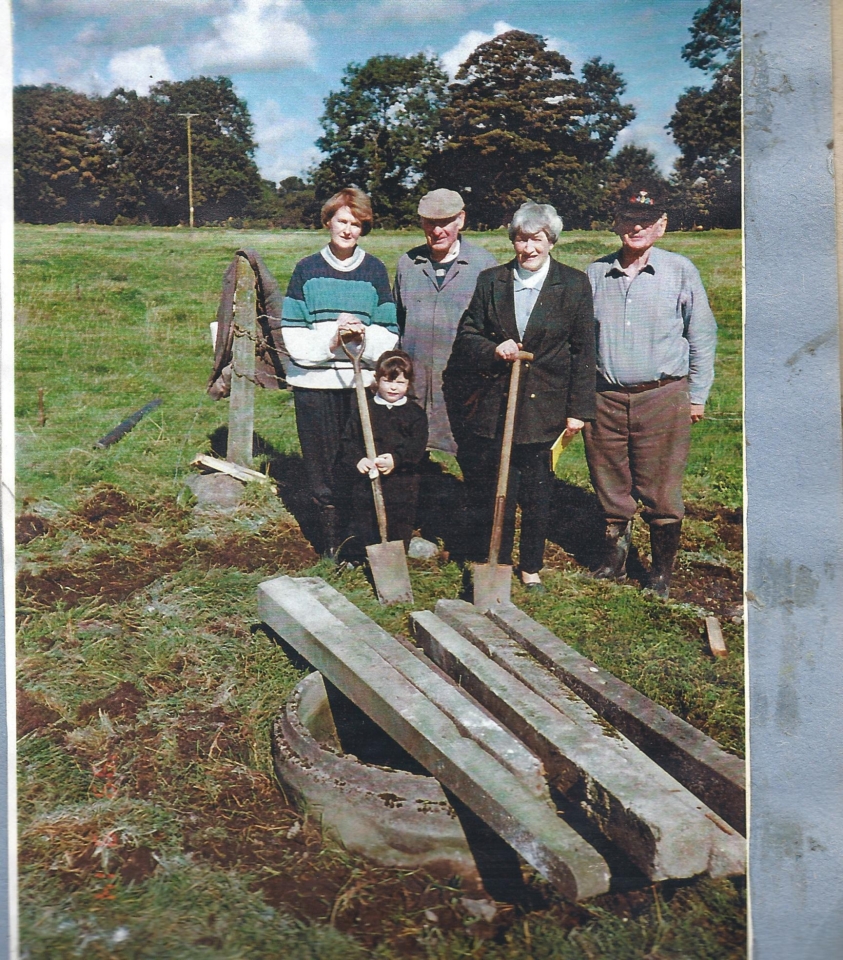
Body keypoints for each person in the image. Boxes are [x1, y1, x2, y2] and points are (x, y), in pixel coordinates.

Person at [446, 201, 596, 592]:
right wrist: (494, 349)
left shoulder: (574, 284)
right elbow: (468, 335)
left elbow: (584, 351)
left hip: (546, 407)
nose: (528, 248)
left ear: (551, 241)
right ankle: (494, 557)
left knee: (537, 491)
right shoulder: (491, 281)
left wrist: (578, 410)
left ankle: (531, 567)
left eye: (537, 239)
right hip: (499, 405)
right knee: (497, 486)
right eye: (521, 239)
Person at [583, 185, 717, 598]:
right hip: (604, 398)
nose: (636, 226)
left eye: (646, 220)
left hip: (663, 396)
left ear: (662, 225)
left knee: (660, 487)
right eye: (627, 218)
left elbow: (703, 336)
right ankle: (614, 560)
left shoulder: (680, 271)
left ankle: (660, 573)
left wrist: (697, 395)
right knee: (609, 482)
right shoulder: (594, 273)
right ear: (616, 224)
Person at [281, 187, 399, 558]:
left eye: (357, 224)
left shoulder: (375, 270)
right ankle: (329, 544)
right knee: (321, 464)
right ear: (328, 221)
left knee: (357, 460)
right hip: (314, 384)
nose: (348, 230)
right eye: (342, 221)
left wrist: (364, 339)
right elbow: (292, 334)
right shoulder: (306, 269)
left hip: (358, 383)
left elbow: (389, 330)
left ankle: (358, 541)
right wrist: (332, 340)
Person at [393, 188, 498, 455]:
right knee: (411, 455)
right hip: (414, 382)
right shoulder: (408, 264)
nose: (438, 230)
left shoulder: (484, 266)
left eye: (445, 222)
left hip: (463, 387)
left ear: (460, 220)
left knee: (471, 459)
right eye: (431, 223)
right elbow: (397, 323)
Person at [335, 350, 429, 559]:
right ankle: (368, 557)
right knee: (366, 519)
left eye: (401, 382)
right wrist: (358, 459)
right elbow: (348, 440)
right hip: (367, 481)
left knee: (399, 521)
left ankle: (395, 561)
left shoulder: (414, 413)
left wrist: (397, 459)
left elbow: (417, 446)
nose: (394, 387)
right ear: (377, 380)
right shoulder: (365, 409)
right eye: (388, 381)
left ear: (409, 383)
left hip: (402, 482)